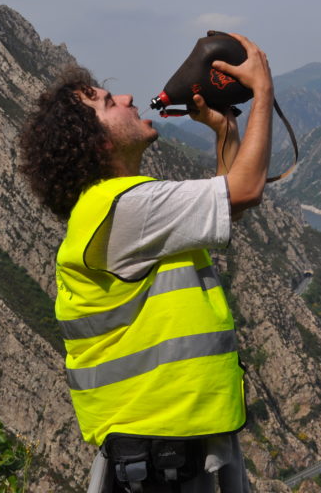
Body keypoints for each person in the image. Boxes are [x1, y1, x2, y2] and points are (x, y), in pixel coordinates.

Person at [18, 32, 273, 493]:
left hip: (163, 449)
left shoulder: (111, 210)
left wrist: (226, 131)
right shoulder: (122, 209)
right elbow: (248, 188)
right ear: (94, 142)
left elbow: (228, 201)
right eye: (107, 101)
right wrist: (263, 89)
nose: (128, 97)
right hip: (162, 457)